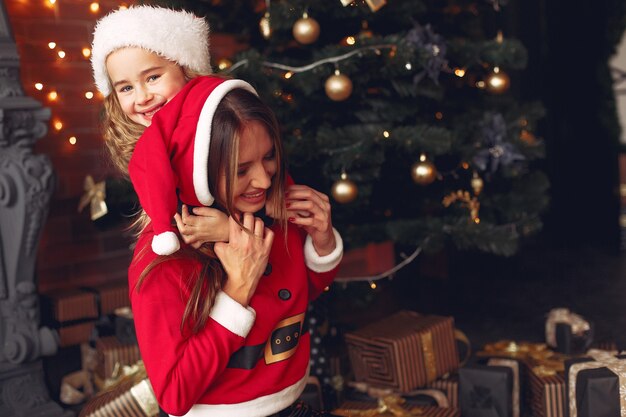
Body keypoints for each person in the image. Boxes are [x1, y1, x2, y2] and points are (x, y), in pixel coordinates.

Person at [127, 75, 343, 417]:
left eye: (269, 157)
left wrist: (323, 239)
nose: (264, 179)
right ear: (199, 170)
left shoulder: (266, 214)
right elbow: (175, 395)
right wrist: (238, 289)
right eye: (241, 170)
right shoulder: (164, 260)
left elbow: (304, 292)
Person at [91, 5, 228, 246]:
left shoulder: (223, 131)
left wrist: (230, 229)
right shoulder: (146, 148)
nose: (142, 97)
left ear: (187, 71)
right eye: (126, 88)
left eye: (153, 78)